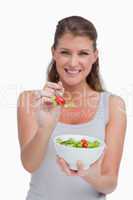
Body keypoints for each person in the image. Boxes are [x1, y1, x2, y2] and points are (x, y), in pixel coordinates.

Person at [17, 16, 127, 200]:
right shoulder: (30, 100)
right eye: (65, 52)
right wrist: (45, 127)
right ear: (54, 53)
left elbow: (110, 182)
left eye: (83, 53)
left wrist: (88, 174)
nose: (73, 63)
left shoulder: (113, 105)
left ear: (95, 55)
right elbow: (30, 165)